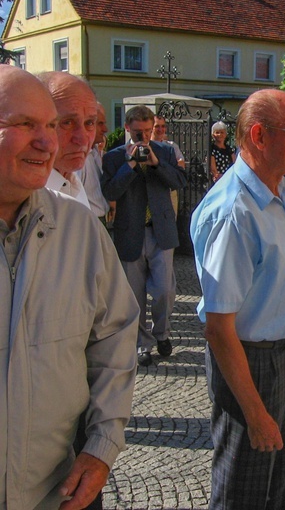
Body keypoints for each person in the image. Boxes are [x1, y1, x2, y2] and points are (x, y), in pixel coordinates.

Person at [0, 65, 138, 510]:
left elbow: (115, 335)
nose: (48, 141)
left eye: (48, 126)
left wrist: (102, 446)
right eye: (25, 125)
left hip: (53, 491)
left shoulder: (78, 226)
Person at [190, 89, 285, 510]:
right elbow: (219, 328)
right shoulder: (234, 211)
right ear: (260, 136)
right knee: (244, 490)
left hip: (281, 353)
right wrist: (256, 413)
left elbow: (278, 283)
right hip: (248, 361)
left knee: (279, 485)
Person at [102, 105, 187, 367]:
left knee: (164, 290)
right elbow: (110, 191)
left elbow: (179, 182)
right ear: (128, 128)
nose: (144, 137)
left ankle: (162, 333)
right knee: (134, 294)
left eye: (148, 131)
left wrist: (156, 163)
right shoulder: (114, 157)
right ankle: (142, 344)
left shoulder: (163, 151)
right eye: (139, 132)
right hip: (131, 232)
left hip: (160, 230)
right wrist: (129, 165)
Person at [38, 71, 96, 208]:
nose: (82, 139)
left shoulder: (73, 183)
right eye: (67, 122)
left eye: (89, 123)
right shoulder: (20, 200)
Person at [78, 102, 116, 226]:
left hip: (101, 221)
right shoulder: (79, 159)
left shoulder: (95, 154)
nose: (105, 129)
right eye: (100, 124)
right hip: (88, 223)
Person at [152, 114, 186, 218]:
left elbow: (181, 165)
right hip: (154, 190)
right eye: (157, 126)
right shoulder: (146, 147)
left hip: (170, 191)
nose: (160, 129)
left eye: (163, 126)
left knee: (171, 220)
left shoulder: (172, 146)